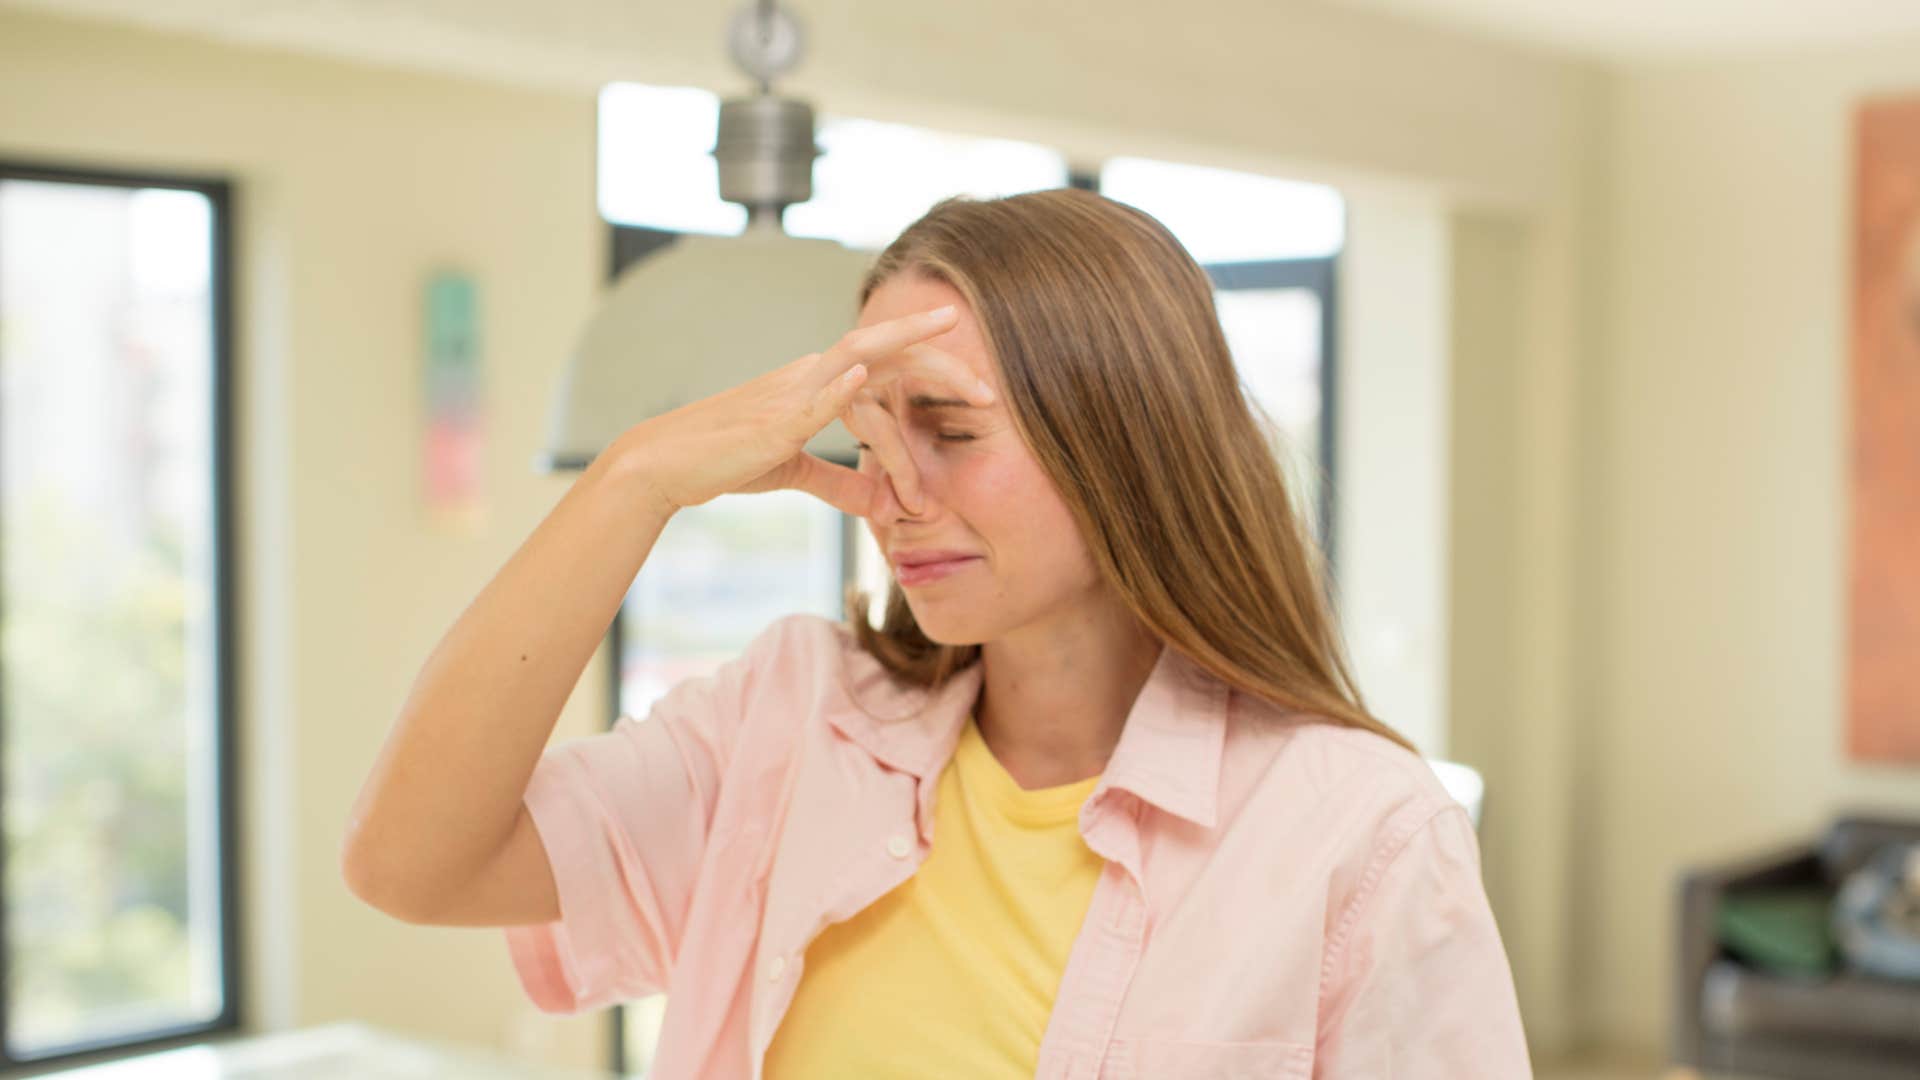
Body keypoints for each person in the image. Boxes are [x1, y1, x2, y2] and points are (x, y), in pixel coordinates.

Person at [341, 187, 1532, 1079]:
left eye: (950, 428)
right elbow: (408, 863)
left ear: (1121, 437)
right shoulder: (789, 721)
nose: (892, 489)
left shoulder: (1355, 832)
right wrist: (634, 479)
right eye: (872, 433)